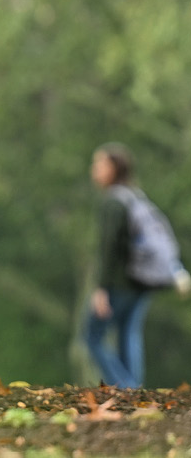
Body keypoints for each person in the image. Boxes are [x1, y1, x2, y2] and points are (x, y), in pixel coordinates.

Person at [84, 143, 154, 388]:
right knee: (128, 334)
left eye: (99, 164)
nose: (94, 169)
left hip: (119, 282)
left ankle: (124, 388)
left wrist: (100, 288)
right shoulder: (136, 196)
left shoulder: (113, 201)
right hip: (144, 279)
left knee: (92, 335)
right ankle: (133, 391)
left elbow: (108, 249)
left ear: (113, 168)